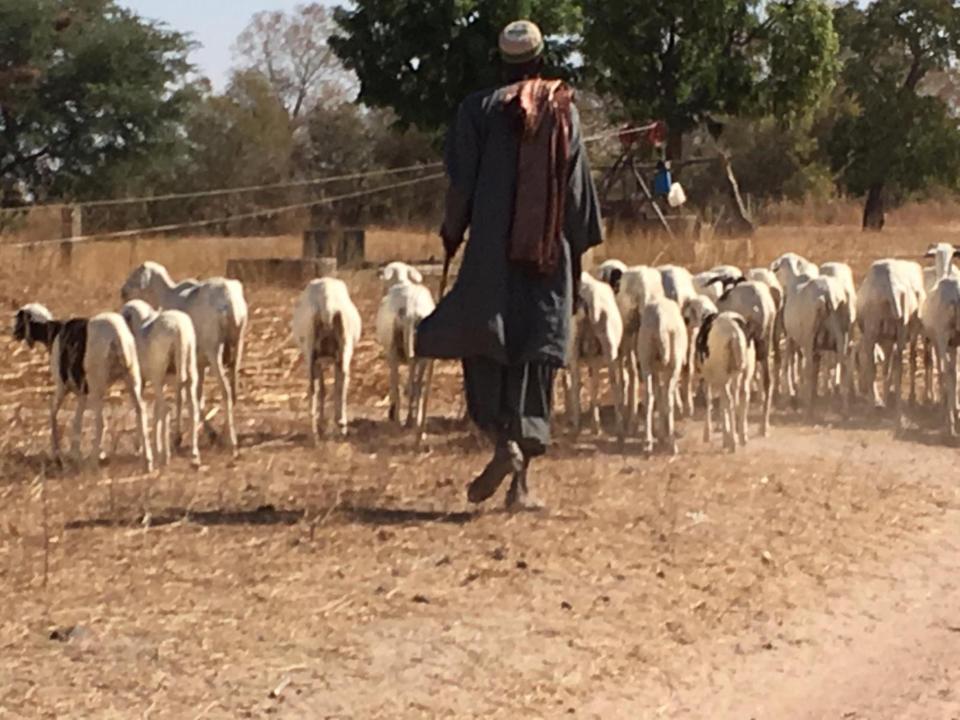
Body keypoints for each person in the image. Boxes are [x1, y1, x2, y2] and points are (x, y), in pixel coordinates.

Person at [415, 19, 603, 511]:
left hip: (491, 262)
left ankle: (504, 446)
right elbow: (580, 194)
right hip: (548, 260)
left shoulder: (477, 109)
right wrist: (577, 259)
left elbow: (462, 184)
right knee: (535, 361)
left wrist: (452, 232)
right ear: (541, 61)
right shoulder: (566, 113)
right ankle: (521, 487)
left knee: (485, 348)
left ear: (502, 64)